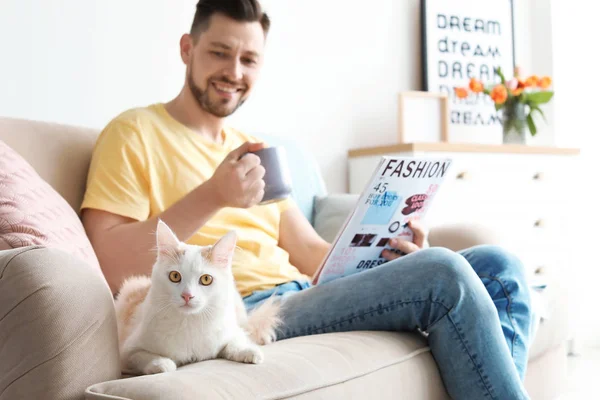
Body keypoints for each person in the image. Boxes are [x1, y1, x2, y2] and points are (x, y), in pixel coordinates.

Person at [80, 0, 533, 398]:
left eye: (249, 59)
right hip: (248, 309)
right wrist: (214, 196)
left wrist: (392, 255)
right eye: (220, 52)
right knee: (445, 273)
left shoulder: (255, 149)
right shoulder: (134, 132)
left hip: (306, 292)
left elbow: (314, 255)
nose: (234, 72)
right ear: (187, 49)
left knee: (499, 266)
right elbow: (108, 263)